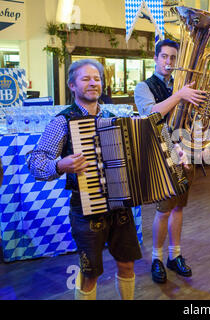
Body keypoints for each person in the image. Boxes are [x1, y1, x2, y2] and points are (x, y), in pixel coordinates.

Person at [27, 59, 142, 300]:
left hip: (120, 205)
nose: (93, 83)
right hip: (86, 208)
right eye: (85, 79)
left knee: (127, 265)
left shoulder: (113, 118)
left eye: (97, 78)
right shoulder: (63, 121)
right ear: (72, 85)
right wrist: (60, 165)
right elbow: (35, 161)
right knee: (90, 274)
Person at [134, 39, 207, 284]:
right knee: (163, 210)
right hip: (161, 152)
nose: (169, 62)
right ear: (155, 58)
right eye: (164, 56)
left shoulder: (181, 85)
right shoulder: (143, 87)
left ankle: (174, 255)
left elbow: (195, 115)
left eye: (173, 58)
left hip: (185, 150)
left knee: (179, 207)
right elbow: (151, 115)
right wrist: (180, 95)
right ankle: (156, 258)